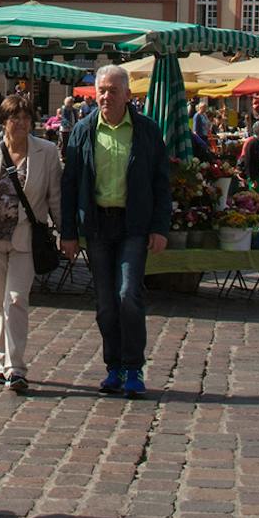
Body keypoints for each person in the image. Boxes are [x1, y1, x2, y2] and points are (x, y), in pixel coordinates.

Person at [59, 63, 174, 399]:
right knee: (106, 303)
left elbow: (161, 184)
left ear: (128, 94)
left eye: (112, 90)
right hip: (97, 226)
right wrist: (68, 232)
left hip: (133, 225)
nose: (105, 96)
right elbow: (70, 185)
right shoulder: (83, 130)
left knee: (128, 296)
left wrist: (160, 227)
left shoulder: (146, 131)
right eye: (101, 90)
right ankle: (114, 367)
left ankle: (134, 366)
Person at [0, 94, 63, 393]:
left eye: (25, 117)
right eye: (14, 117)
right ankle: (2, 362)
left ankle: (16, 367)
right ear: (3, 122)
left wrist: (68, 233)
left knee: (15, 300)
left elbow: (55, 197)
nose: (20, 123)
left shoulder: (46, 152)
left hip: (25, 239)